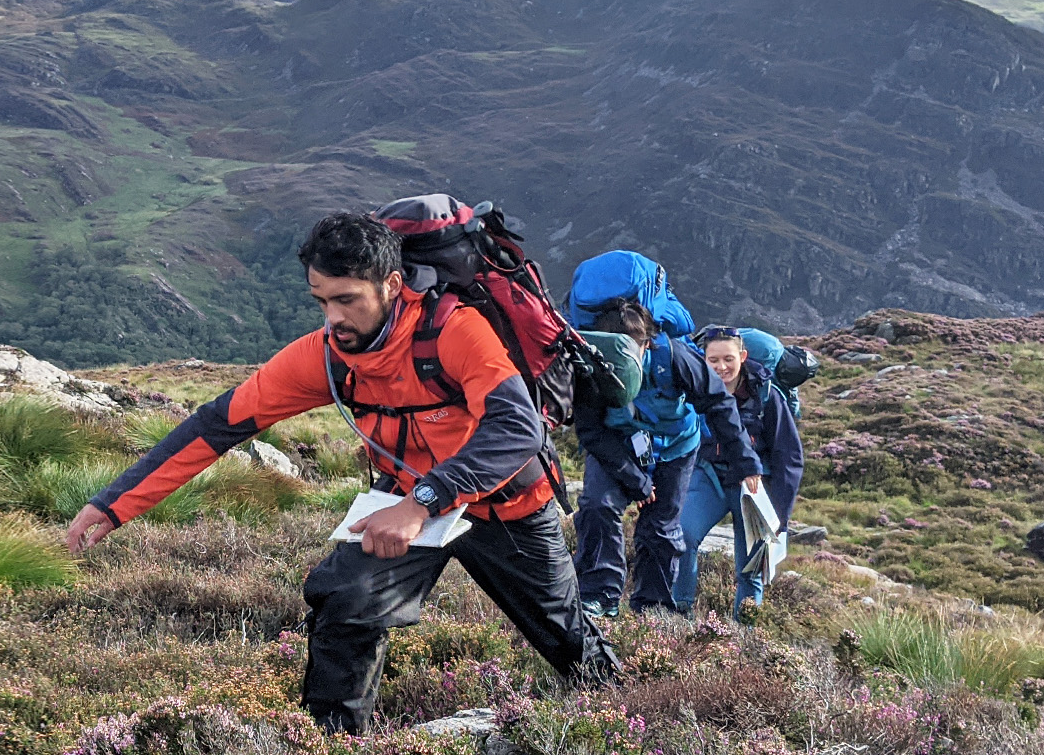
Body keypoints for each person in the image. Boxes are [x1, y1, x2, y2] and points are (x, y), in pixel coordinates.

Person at [64, 212, 618, 734]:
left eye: (347, 299)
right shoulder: (326, 356)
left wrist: (421, 500)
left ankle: (626, 717)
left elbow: (518, 429)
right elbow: (218, 425)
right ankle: (332, 739)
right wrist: (115, 503)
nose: (333, 318)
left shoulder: (456, 331)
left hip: (505, 508)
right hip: (407, 505)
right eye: (321, 300)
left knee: (565, 638)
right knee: (346, 600)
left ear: (394, 284)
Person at [562, 251, 762, 617]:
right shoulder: (591, 367)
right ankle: (599, 598)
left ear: (646, 343)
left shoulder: (676, 357)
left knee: (661, 529)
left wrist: (746, 461)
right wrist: (635, 480)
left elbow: (718, 404)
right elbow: (590, 431)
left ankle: (652, 609)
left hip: (675, 448)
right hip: (616, 446)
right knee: (596, 508)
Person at [669, 326, 805, 620]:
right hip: (709, 476)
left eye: (728, 359)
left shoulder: (768, 396)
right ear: (702, 359)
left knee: (752, 566)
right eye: (713, 360)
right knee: (683, 537)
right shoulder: (694, 390)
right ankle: (678, 616)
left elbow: (789, 456)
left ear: (742, 356)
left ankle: (745, 635)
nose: (721, 367)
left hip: (754, 488)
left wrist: (780, 514)